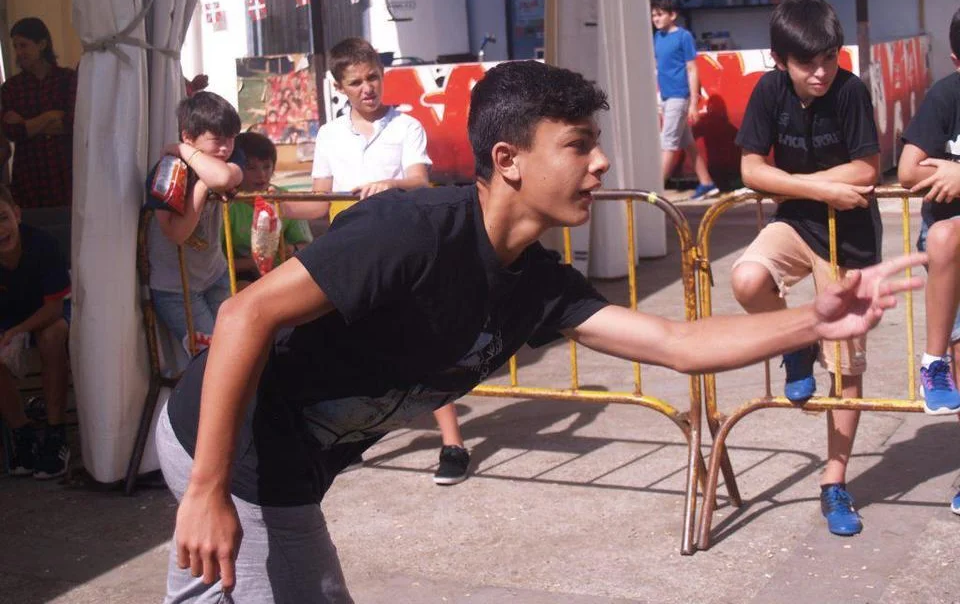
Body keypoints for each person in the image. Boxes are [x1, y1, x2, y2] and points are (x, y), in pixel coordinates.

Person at [158, 60, 922, 602]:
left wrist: (813, 319)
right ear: (508, 160)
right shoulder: (410, 231)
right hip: (231, 438)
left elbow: (676, 345)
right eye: (579, 143)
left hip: (290, 458)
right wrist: (206, 489)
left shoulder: (537, 283)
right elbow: (245, 313)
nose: (603, 161)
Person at [284, 37, 469, 485]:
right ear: (339, 87)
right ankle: (348, 437)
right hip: (348, 251)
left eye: (373, 78)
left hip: (399, 248)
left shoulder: (406, 126)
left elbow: (420, 181)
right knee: (345, 345)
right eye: (356, 82)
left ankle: (453, 444)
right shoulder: (329, 135)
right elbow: (318, 200)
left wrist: (390, 184)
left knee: (420, 343)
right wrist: (270, 203)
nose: (367, 88)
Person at [730, 0, 882, 537]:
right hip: (797, 223)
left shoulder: (851, 91)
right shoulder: (768, 91)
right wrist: (818, 189)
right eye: (806, 63)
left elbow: (867, 169)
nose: (820, 72)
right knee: (747, 278)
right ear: (779, 60)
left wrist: (795, 184)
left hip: (850, 242)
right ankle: (796, 343)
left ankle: (833, 482)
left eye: (829, 59)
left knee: (846, 369)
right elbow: (751, 169)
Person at [898, 10, 960, 439]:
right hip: (948, 249)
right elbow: (907, 171)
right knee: (944, 234)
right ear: (956, 61)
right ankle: (935, 362)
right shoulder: (946, 96)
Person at [146, 92, 242, 359]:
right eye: (217, 140)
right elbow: (177, 233)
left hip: (215, 275)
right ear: (188, 136)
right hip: (177, 289)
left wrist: (183, 149)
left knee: (236, 347)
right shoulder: (167, 173)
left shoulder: (226, 161)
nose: (226, 148)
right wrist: (201, 188)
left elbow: (224, 176)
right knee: (211, 359)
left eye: (231, 138)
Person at [0, 184, 72, 479]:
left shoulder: (43, 244)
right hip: (8, 320)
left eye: (3, 218)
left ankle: (56, 434)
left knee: (53, 336)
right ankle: (21, 432)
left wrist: (17, 331)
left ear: (17, 214)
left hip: (46, 314)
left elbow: (54, 308)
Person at [0, 17, 77, 252]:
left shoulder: (67, 79)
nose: (18, 52)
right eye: (15, 46)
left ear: (42, 44)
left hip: (63, 174)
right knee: (32, 243)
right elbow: (12, 131)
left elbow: (72, 123)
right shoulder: (11, 88)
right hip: (29, 178)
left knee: (69, 239)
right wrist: (50, 116)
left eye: (23, 45)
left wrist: (27, 124)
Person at [224, 131, 312, 286]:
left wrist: (292, 249)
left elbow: (307, 246)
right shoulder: (225, 203)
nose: (261, 174)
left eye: (267, 166)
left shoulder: (284, 199)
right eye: (251, 168)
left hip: (282, 275)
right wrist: (253, 263)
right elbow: (213, 261)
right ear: (235, 168)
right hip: (238, 277)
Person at [651, 0, 717, 200]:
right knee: (688, 143)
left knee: (668, 144)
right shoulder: (657, 37)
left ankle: (652, 193)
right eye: (653, 15)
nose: (656, 19)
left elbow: (692, 69)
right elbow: (658, 68)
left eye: (660, 14)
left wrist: (693, 103)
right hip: (666, 97)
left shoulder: (684, 36)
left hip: (679, 96)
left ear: (672, 15)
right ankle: (707, 183)